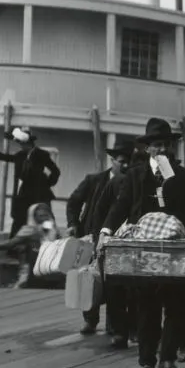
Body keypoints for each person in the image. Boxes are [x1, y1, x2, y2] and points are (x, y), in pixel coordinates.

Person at [99, 117, 185, 368]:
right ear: (148, 148)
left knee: (176, 306)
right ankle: (147, 361)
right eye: (157, 145)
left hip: (176, 249)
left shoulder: (182, 176)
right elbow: (121, 206)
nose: (162, 150)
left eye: (166, 145)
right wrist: (105, 231)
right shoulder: (136, 175)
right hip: (145, 250)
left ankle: (169, 358)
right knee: (146, 307)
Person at [66, 138, 134, 334]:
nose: (126, 165)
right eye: (121, 161)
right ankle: (90, 319)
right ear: (112, 160)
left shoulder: (130, 181)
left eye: (128, 161)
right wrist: (73, 224)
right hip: (92, 236)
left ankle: (114, 325)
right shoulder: (94, 180)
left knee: (114, 282)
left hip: (118, 237)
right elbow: (73, 201)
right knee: (90, 278)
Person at [90, 147, 149, 348]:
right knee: (117, 288)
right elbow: (101, 211)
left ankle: (125, 331)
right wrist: (99, 238)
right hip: (115, 242)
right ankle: (122, 331)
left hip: (133, 242)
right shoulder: (117, 183)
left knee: (128, 289)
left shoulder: (145, 184)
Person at [0, 126, 60, 239]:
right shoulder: (20, 156)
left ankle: (51, 243)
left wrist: (46, 184)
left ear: (29, 143)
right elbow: (2, 156)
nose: (21, 146)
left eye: (22, 143)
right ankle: (13, 248)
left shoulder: (42, 155)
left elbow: (55, 171)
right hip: (23, 196)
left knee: (45, 220)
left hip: (39, 196)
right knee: (18, 221)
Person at [0, 202, 60, 289]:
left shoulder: (52, 228)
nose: (44, 218)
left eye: (46, 215)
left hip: (50, 265)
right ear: (33, 216)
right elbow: (12, 242)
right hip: (30, 266)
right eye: (40, 216)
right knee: (23, 283)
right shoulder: (28, 230)